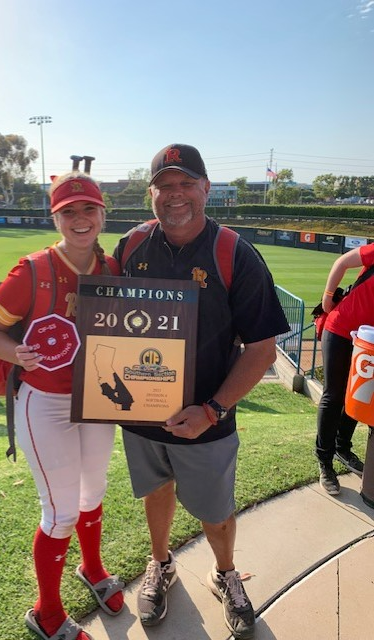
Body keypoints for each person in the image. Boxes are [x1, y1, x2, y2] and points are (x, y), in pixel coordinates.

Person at [113, 144, 290, 639]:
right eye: (164, 185)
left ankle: (225, 572)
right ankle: (161, 562)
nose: (175, 195)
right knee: (156, 492)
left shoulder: (235, 253)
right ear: (151, 193)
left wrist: (212, 410)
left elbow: (261, 349)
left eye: (186, 184)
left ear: (206, 188)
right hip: (141, 413)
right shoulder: (130, 247)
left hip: (207, 418)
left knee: (214, 513)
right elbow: (103, 318)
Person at [0, 170, 125, 640]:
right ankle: (48, 612)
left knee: (93, 493)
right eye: (68, 212)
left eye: (89, 209)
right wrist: (14, 352)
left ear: (103, 213)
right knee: (59, 511)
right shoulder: (33, 269)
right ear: (56, 218)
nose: (80, 219)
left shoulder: (111, 269)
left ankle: (93, 568)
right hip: (45, 401)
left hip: (97, 397)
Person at [316, 243, 374, 495]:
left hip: (368, 339)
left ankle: (342, 448)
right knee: (334, 395)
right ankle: (325, 462)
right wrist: (327, 297)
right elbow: (341, 263)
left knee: (357, 394)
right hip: (340, 328)